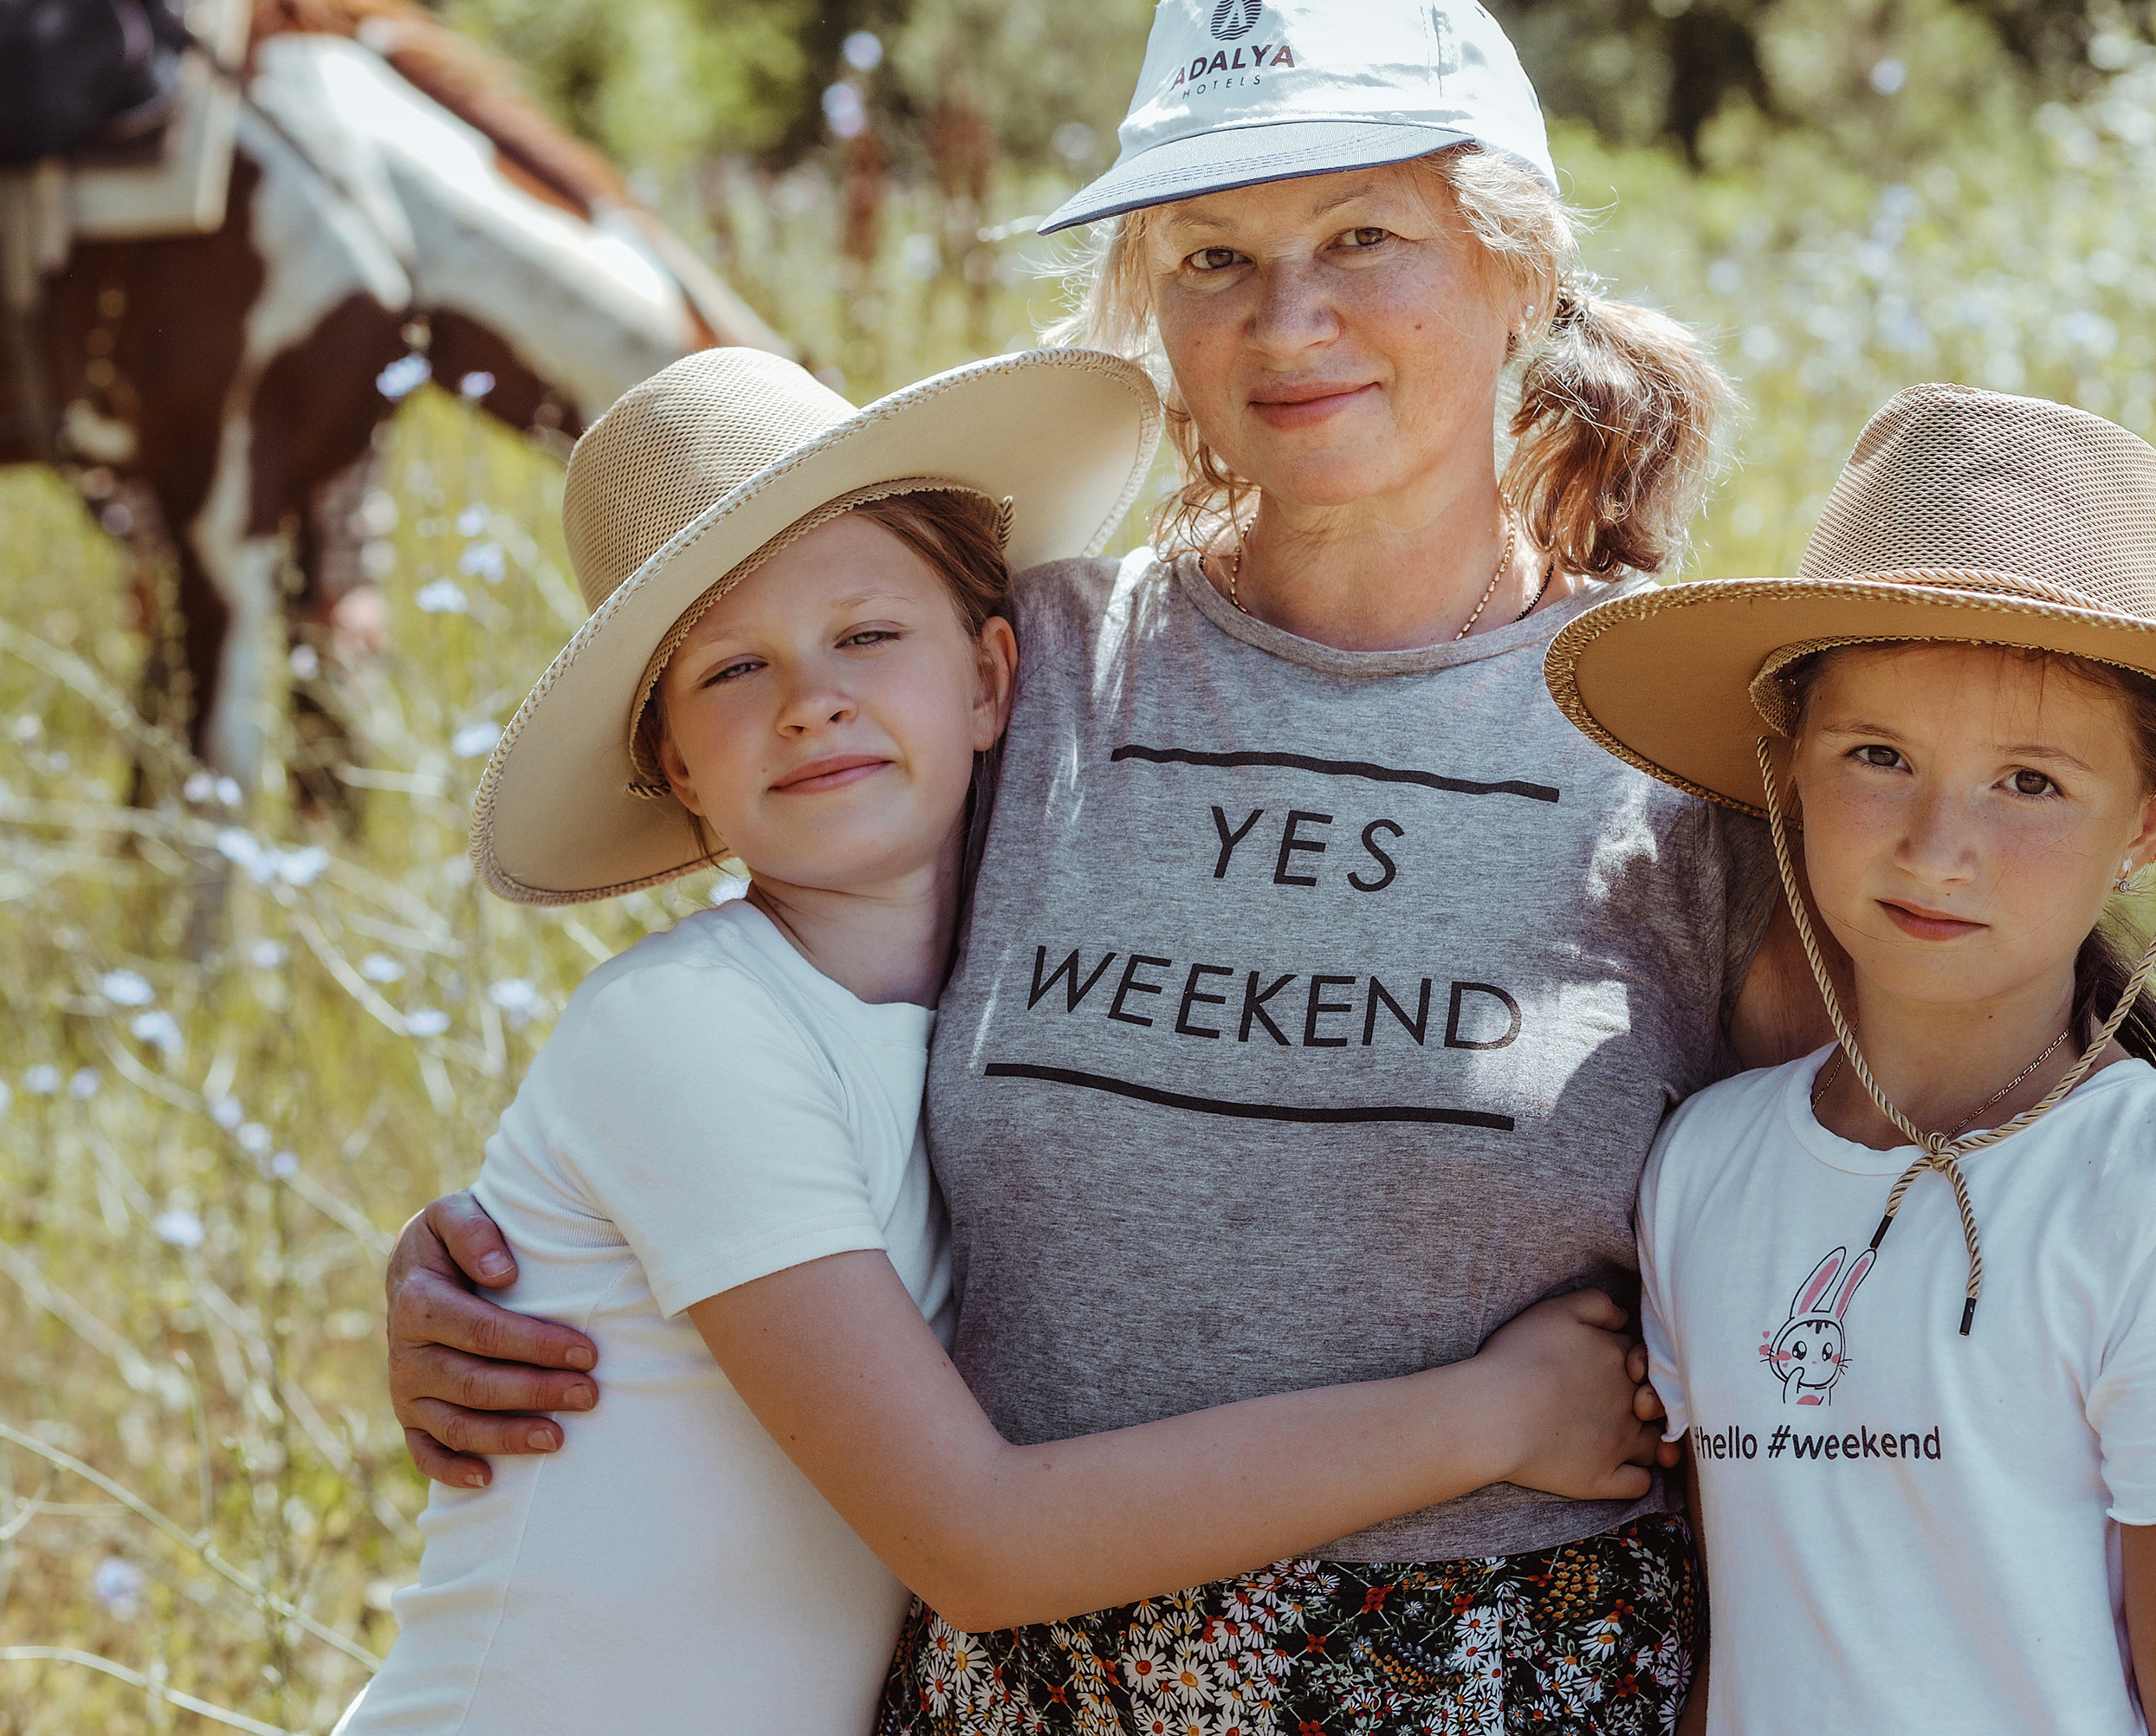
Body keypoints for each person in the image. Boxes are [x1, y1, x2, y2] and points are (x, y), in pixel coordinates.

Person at [386, 0, 1829, 1734]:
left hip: (1501, 1685)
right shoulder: (1034, 671)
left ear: (1518, 263)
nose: (1284, 321)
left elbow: (1870, 1213)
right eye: (1212, 257)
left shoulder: (1678, 743)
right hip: (1021, 1686)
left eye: (1360, 236)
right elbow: (785, 1026)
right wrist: (501, 1264)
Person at [346, 341, 1669, 1736]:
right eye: (733, 669)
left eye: (867, 635)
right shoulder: (692, 1030)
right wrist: (1496, 1418)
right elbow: (977, 1545)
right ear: (675, 764)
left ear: (988, 680)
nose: (811, 700)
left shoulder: (993, 999)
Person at [1551, 381, 2156, 1735]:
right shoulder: (1704, 1165)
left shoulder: (2134, 1189)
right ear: (1790, 770)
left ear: (2143, 825)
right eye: (1879, 756)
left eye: (2031, 782)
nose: (1939, 849)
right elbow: (1748, 1632)